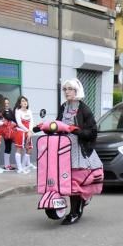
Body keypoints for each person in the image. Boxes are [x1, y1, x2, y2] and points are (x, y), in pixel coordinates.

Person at [39, 78, 102, 225]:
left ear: (77, 90)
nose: (67, 92)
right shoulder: (63, 107)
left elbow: (92, 132)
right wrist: (44, 126)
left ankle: (75, 212)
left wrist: (77, 131)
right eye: (65, 89)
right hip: (62, 148)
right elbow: (58, 124)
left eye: (70, 89)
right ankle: (72, 202)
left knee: (74, 181)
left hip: (78, 151)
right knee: (61, 178)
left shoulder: (84, 109)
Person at [14, 96, 35, 173]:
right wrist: (28, 131)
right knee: (19, 149)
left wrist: (30, 131)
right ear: (20, 103)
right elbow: (19, 124)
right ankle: (20, 168)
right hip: (20, 132)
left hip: (28, 133)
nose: (24, 102)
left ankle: (23, 166)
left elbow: (31, 122)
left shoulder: (29, 111)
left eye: (26, 101)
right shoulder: (18, 111)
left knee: (29, 149)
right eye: (22, 101)